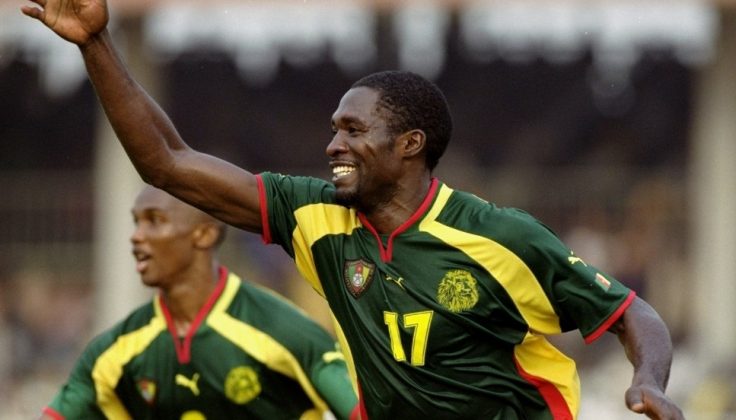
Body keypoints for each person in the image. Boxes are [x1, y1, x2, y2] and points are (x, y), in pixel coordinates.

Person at [22, 1, 684, 418]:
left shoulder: (500, 237)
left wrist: (648, 383)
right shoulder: (316, 217)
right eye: (334, 129)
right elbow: (168, 164)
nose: (333, 144)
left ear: (409, 145)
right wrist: (95, 47)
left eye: (352, 131)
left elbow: (633, 314)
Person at [39, 186, 359, 420]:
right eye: (136, 222)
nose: (136, 236)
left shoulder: (285, 331)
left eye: (154, 221)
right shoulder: (113, 353)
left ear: (204, 234)